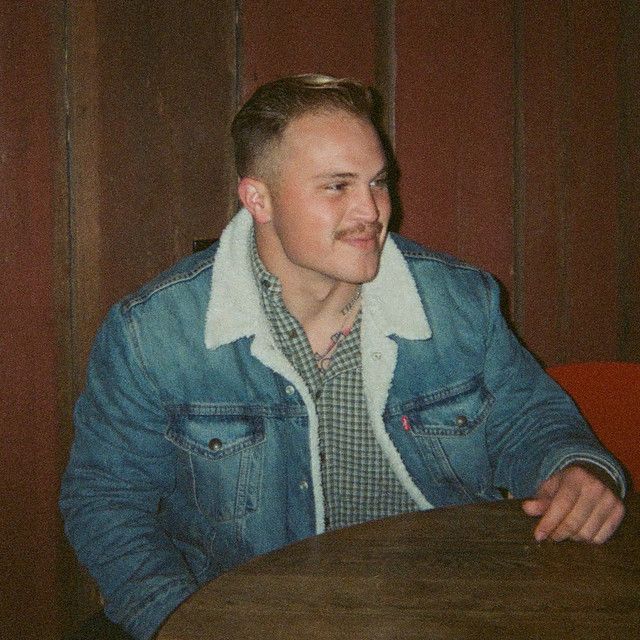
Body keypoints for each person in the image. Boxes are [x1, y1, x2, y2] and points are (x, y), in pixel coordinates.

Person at [60, 74, 627, 640]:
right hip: (258, 619)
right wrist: (182, 623)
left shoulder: (458, 303)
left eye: (378, 183)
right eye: (337, 186)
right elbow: (106, 503)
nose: (371, 212)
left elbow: (528, 419)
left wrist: (571, 468)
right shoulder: (155, 334)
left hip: (452, 604)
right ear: (258, 198)